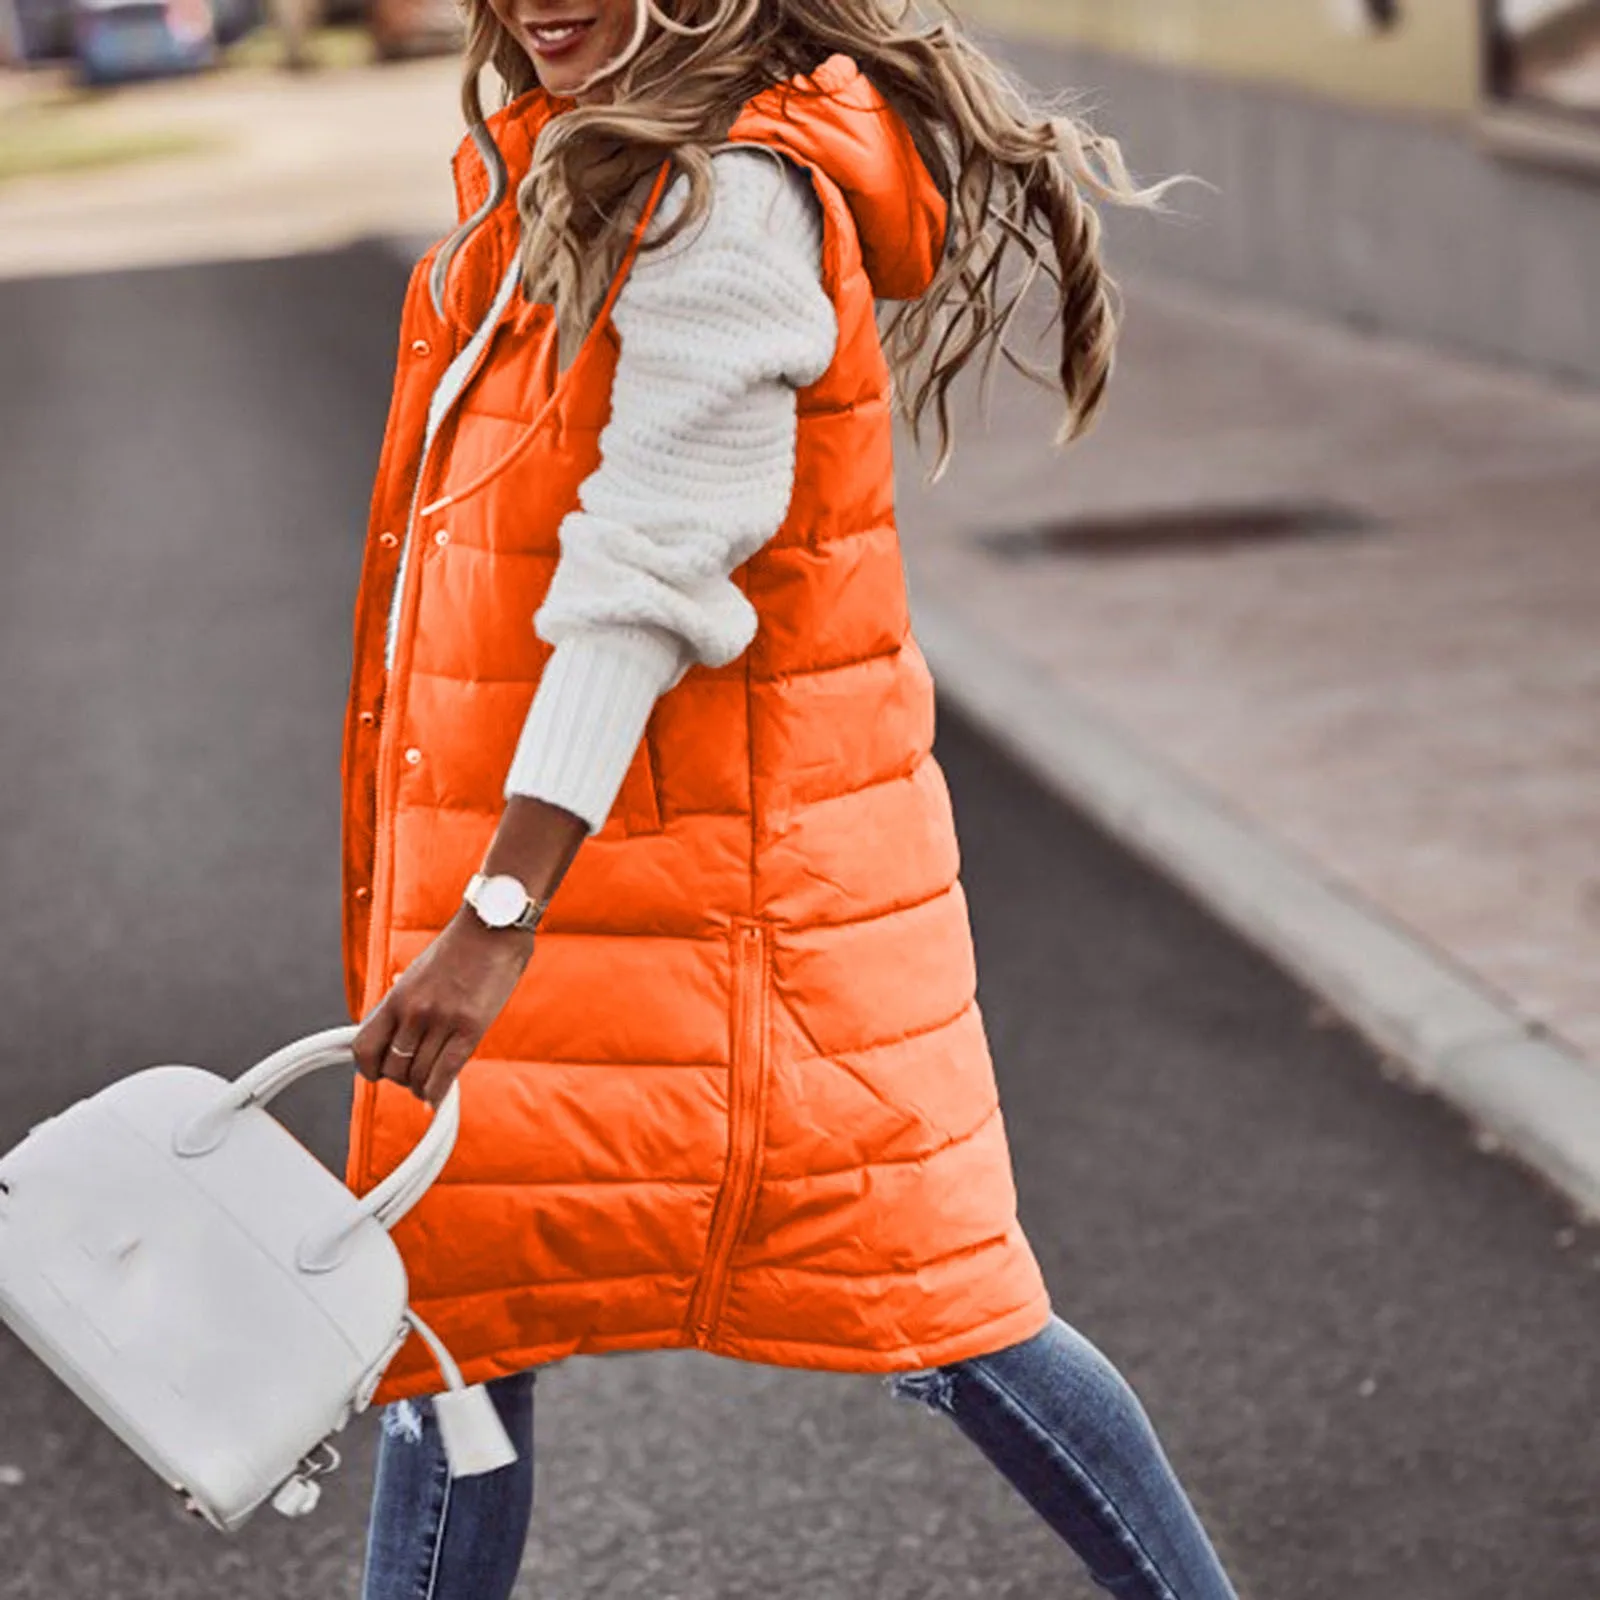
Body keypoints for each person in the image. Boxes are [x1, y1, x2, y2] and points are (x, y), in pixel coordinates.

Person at [341, 2, 1238, 1595]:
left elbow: (648, 574)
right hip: (588, 894)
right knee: (443, 1333)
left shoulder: (730, 199)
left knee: (948, 1309)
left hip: (726, 917)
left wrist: (492, 911)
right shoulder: (579, 170)